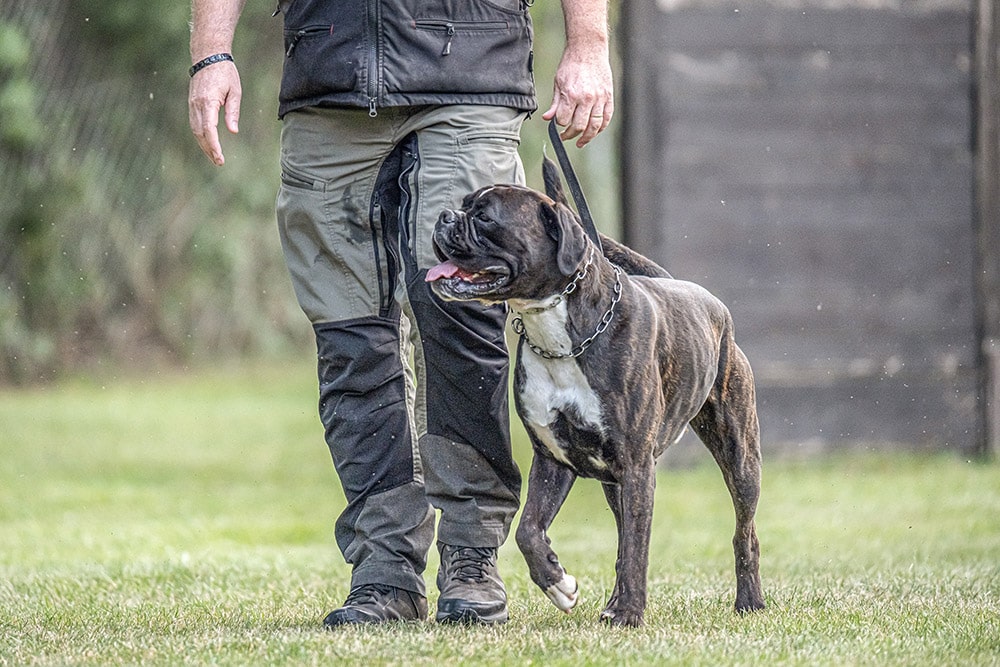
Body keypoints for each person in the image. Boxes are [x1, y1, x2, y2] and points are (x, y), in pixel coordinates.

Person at [188, 0, 614, 627]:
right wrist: (212, 53)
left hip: (469, 63)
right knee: (349, 339)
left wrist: (588, 42)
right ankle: (384, 570)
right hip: (329, 72)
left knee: (463, 323)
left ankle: (471, 556)